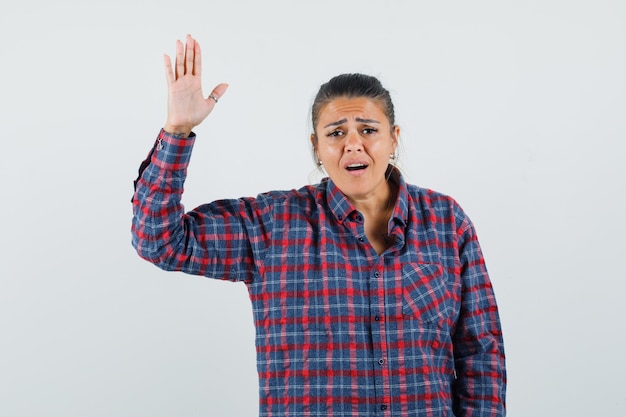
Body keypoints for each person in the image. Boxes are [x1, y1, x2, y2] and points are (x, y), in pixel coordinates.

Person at [131, 34, 506, 416]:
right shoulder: (272, 225)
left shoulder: (446, 222)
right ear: (317, 146)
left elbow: (481, 352)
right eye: (336, 133)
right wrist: (177, 131)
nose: (353, 144)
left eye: (369, 129)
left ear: (393, 138)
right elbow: (158, 241)